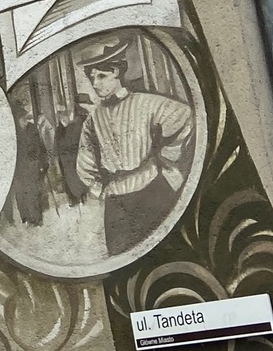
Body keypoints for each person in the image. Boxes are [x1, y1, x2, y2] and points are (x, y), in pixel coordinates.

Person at [74, 35, 193, 255]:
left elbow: (186, 118)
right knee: (121, 255)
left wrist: (165, 159)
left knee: (165, 253)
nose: (96, 84)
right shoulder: (93, 118)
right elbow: (85, 156)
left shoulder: (147, 103)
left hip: (151, 191)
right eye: (92, 78)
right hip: (115, 202)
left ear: (117, 72)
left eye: (102, 76)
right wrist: (98, 187)